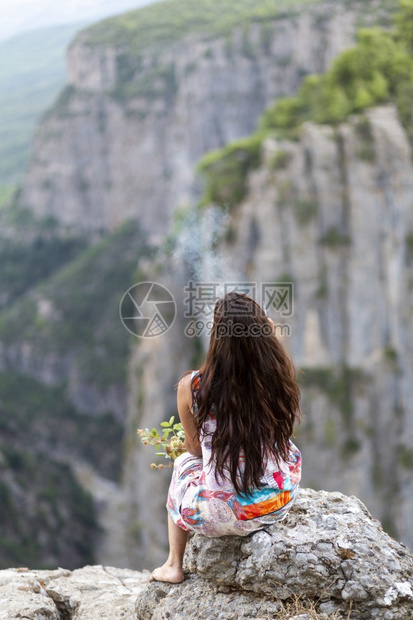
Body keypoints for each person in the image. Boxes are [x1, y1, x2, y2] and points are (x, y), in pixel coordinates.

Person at [152, 292, 302, 584]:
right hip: (275, 503)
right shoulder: (276, 375)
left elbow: (195, 448)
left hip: (223, 514)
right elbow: (267, 338)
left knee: (183, 463)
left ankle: (173, 565)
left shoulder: (193, 387)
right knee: (285, 449)